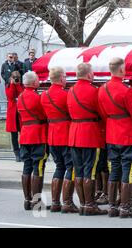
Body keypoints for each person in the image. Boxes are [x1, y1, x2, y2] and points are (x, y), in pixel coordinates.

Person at [98, 58, 132, 218]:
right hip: (128, 135)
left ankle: (113, 207)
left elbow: (103, 113)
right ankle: (126, 208)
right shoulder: (126, 90)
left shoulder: (102, 89)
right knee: (128, 170)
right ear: (120, 70)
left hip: (112, 134)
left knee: (115, 169)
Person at [67, 63, 107, 216]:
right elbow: (102, 112)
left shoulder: (70, 91)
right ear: (90, 75)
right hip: (90, 133)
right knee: (89, 171)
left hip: (74, 133)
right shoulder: (94, 91)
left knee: (79, 171)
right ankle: (90, 205)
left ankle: (83, 204)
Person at [41, 67, 79, 214]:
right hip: (65, 134)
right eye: (64, 76)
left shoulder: (44, 95)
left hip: (52, 135)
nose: (65, 79)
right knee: (70, 167)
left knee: (59, 167)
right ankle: (67, 202)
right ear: (61, 78)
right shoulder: (66, 94)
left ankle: (55, 202)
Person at [17, 71, 48, 210]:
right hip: (37, 134)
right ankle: (36, 200)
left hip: (25, 135)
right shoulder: (36, 97)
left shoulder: (20, 97)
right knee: (38, 167)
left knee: (27, 166)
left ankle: (27, 199)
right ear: (34, 82)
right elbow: (44, 114)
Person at [5, 71, 24, 162]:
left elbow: (21, 95)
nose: (16, 78)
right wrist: (12, 84)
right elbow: (11, 96)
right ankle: (17, 153)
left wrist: (18, 84)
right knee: (14, 135)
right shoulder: (8, 86)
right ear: (11, 78)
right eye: (14, 77)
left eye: (18, 77)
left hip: (20, 113)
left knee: (23, 133)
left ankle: (23, 152)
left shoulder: (22, 85)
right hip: (12, 113)